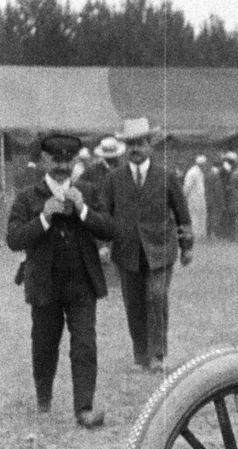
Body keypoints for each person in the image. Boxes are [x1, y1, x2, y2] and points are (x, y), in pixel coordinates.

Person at [6, 134, 115, 427]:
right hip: (44, 283)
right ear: (44, 160)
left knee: (85, 343)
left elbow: (109, 229)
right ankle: (44, 399)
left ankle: (84, 409)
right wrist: (42, 218)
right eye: (56, 160)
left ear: (76, 161)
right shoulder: (28, 196)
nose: (62, 166)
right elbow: (13, 239)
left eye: (68, 160)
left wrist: (83, 210)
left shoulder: (88, 192)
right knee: (44, 343)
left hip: (82, 281)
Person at [99, 117, 193, 374]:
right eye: (130, 145)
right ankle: (140, 355)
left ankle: (158, 355)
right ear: (124, 148)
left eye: (139, 143)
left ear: (150, 144)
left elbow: (182, 212)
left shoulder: (166, 176)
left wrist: (187, 245)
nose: (135, 149)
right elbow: (104, 216)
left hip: (161, 250)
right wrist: (104, 244)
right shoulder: (113, 179)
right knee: (134, 303)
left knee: (157, 296)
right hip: (127, 251)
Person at [183, 155, 208, 239]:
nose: (205, 166)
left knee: (201, 216)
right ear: (200, 164)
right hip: (193, 199)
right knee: (194, 217)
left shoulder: (200, 172)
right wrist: (184, 198)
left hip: (200, 199)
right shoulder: (192, 172)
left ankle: (201, 235)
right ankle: (195, 235)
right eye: (204, 164)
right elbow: (187, 187)